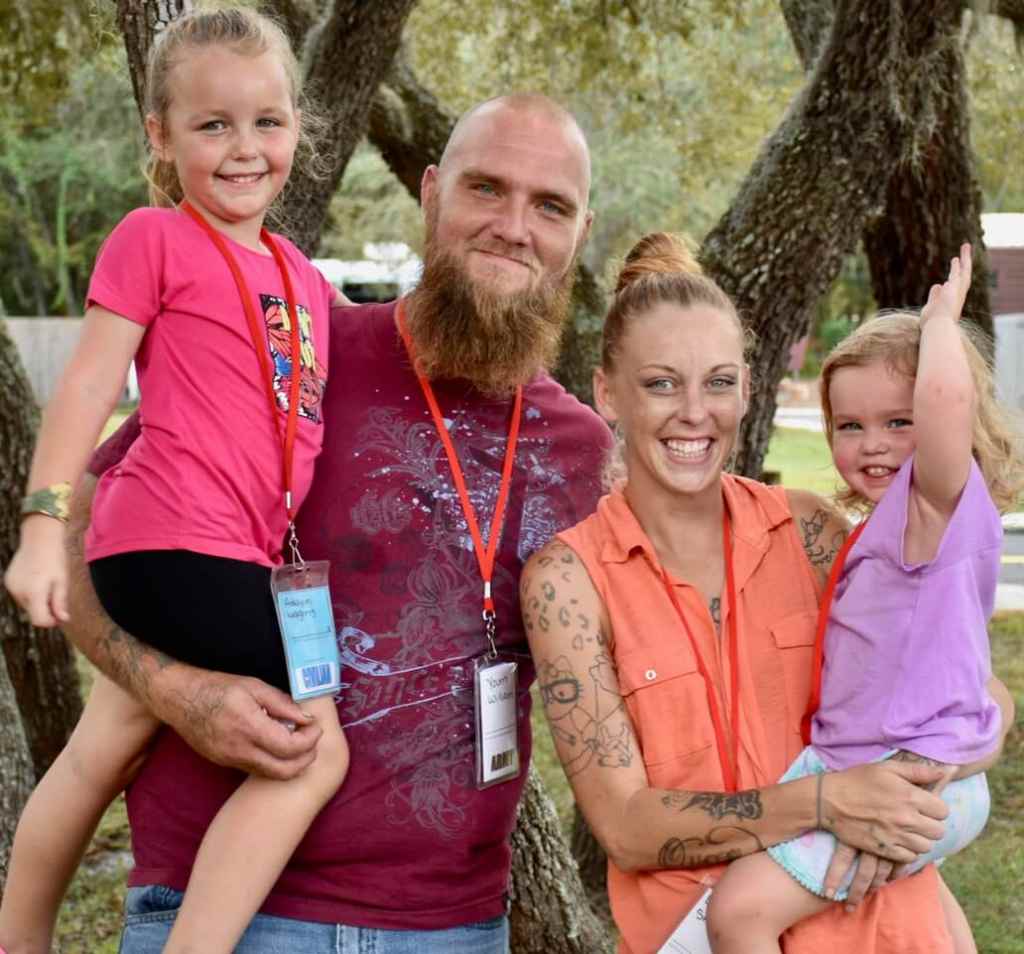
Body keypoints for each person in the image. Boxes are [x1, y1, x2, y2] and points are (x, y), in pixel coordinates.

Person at [53, 93, 611, 952]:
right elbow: (88, 527)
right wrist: (176, 694)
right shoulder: (299, 347)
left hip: (450, 927)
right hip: (223, 914)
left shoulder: (584, 452)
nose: (513, 226)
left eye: (549, 205)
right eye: (485, 189)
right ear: (430, 194)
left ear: (581, 228)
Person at [520, 232, 1014, 954]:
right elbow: (627, 829)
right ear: (607, 392)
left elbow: (970, 688)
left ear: (748, 389)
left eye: (718, 382)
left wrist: (941, 762)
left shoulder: (809, 531)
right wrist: (825, 801)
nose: (695, 413)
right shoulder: (566, 583)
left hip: (888, 930)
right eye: (661, 384)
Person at [0, 10, 348, 954]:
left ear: (297, 126)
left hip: (229, 552)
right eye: (213, 125)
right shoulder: (153, 237)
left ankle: (18, 938)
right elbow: (85, 382)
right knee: (315, 748)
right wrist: (41, 527)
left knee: (110, 732)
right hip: (169, 543)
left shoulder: (304, 278)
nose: (245, 149)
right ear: (160, 133)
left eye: (267, 122)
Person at [706, 244, 1022, 954]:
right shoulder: (886, 529)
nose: (871, 445)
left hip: (909, 778)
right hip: (871, 768)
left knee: (738, 913)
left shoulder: (932, 512)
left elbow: (945, 410)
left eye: (898, 422)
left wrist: (940, 322)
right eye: (850, 426)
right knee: (921, 904)